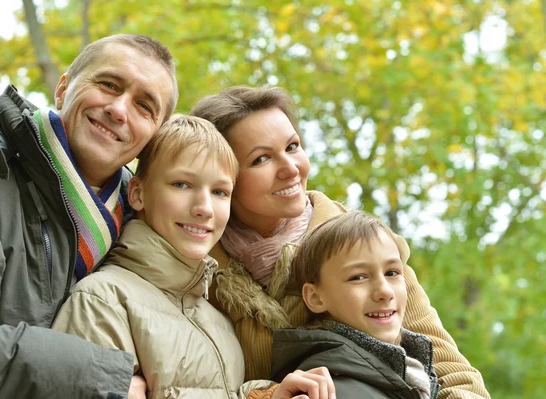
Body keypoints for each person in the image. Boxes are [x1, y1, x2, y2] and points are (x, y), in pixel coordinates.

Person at [190, 86, 490, 398]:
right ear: (223, 175)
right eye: (262, 158)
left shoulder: (366, 246)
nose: (291, 169)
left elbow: (453, 373)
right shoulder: (196, 265)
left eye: (293, 147)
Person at [0, 34, 178, 398]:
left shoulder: (147, 220)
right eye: (108, 84)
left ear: (154, 136)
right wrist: (107, 383)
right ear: (63, 88)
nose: (119, 110)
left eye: (144, 106)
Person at [52, 114, 336, 399]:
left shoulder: (218, 318)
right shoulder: (101, 301)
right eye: (181, 185)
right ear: (137, 193)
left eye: (219, 192)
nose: (205, 208)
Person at [273, 211, 440, 398]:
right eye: (358, 277)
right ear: (315, 297)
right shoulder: (328, 390)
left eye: (392, 273)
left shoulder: (413, 369)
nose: (384, 292)